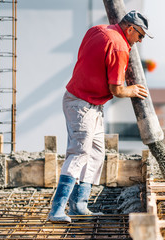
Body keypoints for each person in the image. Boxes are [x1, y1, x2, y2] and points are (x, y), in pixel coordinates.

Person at [48, 10, 153, 223]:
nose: (140, 41)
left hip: (89, 103)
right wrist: (132, 90)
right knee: (78, 153)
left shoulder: (97, 30)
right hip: (81, 104)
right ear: (130, 29)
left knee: (96, 153)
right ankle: (57, 210)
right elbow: (116, 89)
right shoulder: (119, 46)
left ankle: (79, 205)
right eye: (140, 35)